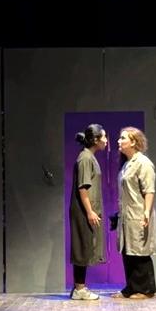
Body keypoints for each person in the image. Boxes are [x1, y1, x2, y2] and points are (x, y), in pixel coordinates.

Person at [112, 127, 156, 299]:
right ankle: (131, 287)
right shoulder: (126, 164)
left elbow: (149, 190)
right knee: (128, 251)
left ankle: (146, 290)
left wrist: (146, 212)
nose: (119, 141)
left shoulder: (143, 163)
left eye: (123, 138)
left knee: (140, 252)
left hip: (138, 213)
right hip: (127, 214)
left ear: (133, 142)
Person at [68, 124, 108, 301]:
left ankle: (80, 287)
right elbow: (82, 187)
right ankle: (79, 289)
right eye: (104, 137)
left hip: (87, 209)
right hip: (83, 210)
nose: (106, 140)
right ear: (96, 140)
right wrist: (90, 211)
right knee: (82, 246)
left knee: (85, 245)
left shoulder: (89, 157)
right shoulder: (85, 158)